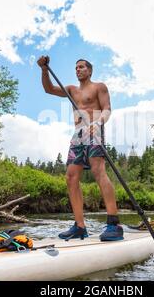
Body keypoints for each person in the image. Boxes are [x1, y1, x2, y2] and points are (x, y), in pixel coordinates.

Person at [37, 55, 124, 241]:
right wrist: (44, 70)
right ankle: (80, 226)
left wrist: (99, 121)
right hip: (78, 134)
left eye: (82, 67)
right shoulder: (71, 90)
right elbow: (48, 89)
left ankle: (114, 225)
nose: (78, 70)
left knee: (98, 171)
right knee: (70, 176)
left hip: (95, 129)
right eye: (76, 67)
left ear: (90, 70)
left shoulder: (99, 87)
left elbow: (108, 108)